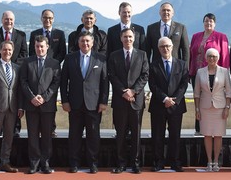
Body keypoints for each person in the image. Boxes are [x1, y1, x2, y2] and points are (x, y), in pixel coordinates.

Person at [60, 31, 109, 174]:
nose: (85, 43)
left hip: (94, 104)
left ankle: (93, 163)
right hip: (74, 104)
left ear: (92, 43)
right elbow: (64, 82)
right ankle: (74, 163)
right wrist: (65, 101)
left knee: (93, 136)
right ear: (78, 43)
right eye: (82, 41)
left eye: (88, 41)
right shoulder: (69, 58)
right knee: (74, 135)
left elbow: (105, 82)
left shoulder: (101, 59)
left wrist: (103, 101)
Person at [108, 28, 149, 174]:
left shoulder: (142, 55)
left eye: (130, 37)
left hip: (136, 100)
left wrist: (133, 91)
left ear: (134, 38)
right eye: (125, 37)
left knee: (136, 134)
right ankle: (121, 163)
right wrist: (123, 92)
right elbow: (112, 75)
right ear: (121, 38)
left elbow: (145, 75)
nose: (128, 39)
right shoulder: (113, 56)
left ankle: (135, 164)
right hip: (120, 100)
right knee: (121, 134)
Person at [20, 35, 61, 174]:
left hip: (47, 106)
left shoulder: (54, 63)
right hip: (31, 105)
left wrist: (44, 98)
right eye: (37, 46)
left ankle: (46, 163)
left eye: (42, 46)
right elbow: (23, 82)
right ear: (34, 47)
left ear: (47, 47)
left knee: (47, 137)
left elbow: (56, 83)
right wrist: (32, 97)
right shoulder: (27, 62)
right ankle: (34, 164)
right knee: (32, 136)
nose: (39, 49)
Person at [148, 37, 188, 172]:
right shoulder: (153, 65)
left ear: (172, 47)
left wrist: (174, 100)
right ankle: (158, 162)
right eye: (162, 47)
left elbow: (183, 85)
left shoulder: (182, 64)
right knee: (157, 135)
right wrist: (165, 99)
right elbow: (152, 85)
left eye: (167, 46)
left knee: (175, 136)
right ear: (158, 49)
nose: (165, 49)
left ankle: (175, 162)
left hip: (176, 106)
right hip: (159, 105)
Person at [0, 10, 28, 137]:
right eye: (6, 19)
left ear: (14, 21)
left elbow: (24, 54)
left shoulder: (21, 35)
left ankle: (15, 129)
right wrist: (1, 64)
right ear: (2, 20)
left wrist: (12, 65)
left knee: (15, 100)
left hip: (15, 73)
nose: (8, 21)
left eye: (11, 19)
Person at [189, 13, 230, 135]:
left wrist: (224, 74)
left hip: (215, 74)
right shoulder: (196, 36)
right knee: (199, 98)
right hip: (197, 74)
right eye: (206, 21)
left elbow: (225, 57)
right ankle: (199, 127)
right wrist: (189, 71)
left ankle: (215, 128)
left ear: (215, 23)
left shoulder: (221, 37)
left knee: (213, 99)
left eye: (211, 21)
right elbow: (191, 55)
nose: (208, 23)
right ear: (203, 23)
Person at [0, 41, 23, 174]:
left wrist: (20, 107)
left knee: (9, 137)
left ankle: (5, 162)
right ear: (0, 51)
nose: (7, 52)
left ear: (12, 52)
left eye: (9, 50)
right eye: (5, 50)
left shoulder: (17, 68)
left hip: (12, 109)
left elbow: (18, 90)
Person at [29, 9, 66, 137]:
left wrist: (52, 64)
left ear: (53, 19)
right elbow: (31, 52)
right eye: (45, 17)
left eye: (50, 18)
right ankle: (38, 128)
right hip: (37, 70)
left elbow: (62, 52)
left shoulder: (60, 34)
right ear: (41, 18)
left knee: (51, 99)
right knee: (38, 96)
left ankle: (51, 127)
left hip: (53, 71)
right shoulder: (34, 34)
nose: (47, 20)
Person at [194, 48, 231, 172]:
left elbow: (228, 92)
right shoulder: (200, 72)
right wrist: (197, 109)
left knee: (218, 135)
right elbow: (196, 93)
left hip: (220, 108)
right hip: (205, 108)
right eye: (209, 56)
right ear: (206, 58)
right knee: (207, 135)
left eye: (214, 56)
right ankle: (209, 161)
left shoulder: (225, 71)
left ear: (218, 58)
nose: (212, 58)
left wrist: (227, 108)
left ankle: (216, 161)